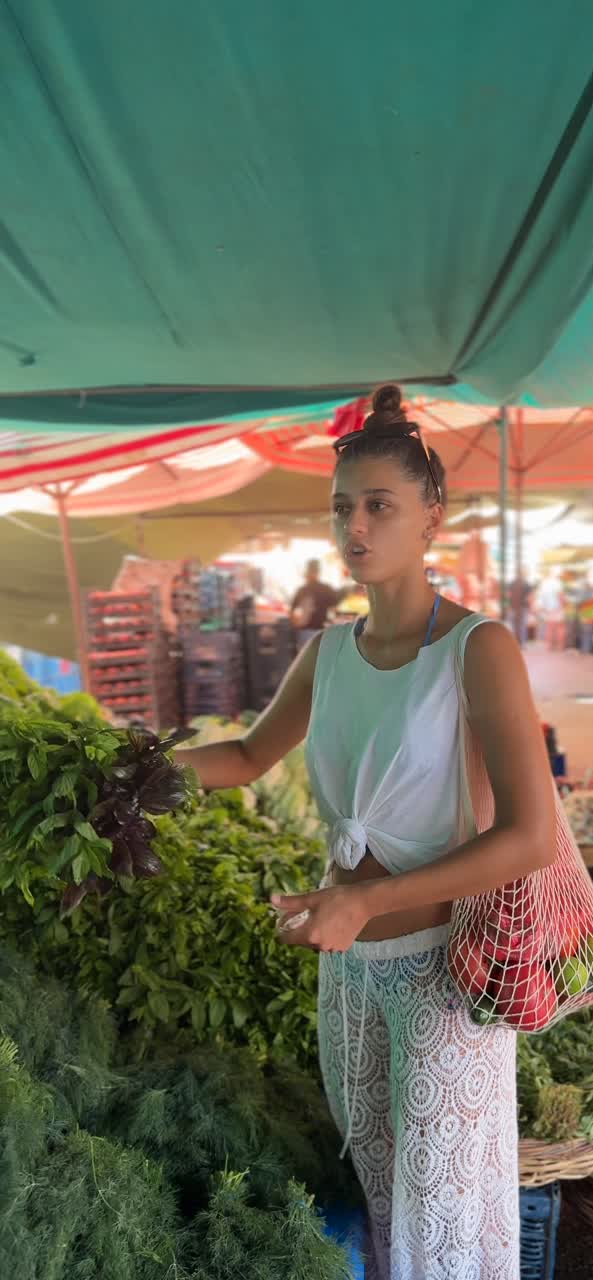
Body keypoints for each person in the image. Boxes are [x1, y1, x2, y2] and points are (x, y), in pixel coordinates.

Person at [176, 383, 556, 1280]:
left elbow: (531, 835)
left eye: (379, 506)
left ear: (432, 515)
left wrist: (363, 901)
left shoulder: (477, 649)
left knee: (447, 1218)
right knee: (384, 1203)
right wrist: (129, 765)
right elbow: (247, 755)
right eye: (342, 509)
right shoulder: (328, 652)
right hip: (349, 978)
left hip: (441, 980)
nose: (355, 528)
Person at [290, 559, 337, 647]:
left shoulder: (303, 590)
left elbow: (292, 611)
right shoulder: (326, 589)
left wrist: (295, 625)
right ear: (318, 572)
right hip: (321, 631)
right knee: (320, 658)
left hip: (305, 631)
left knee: (305, 658)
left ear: (307, 572)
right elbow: (334, 610)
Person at [535, 570, 565, 651]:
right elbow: (560, 596)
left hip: (547, 609)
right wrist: (563, 605)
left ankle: (549, 646)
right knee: (560, 627)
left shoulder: (544, 584)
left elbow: (540, 597)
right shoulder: (557, 583)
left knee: (549, 627)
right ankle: (560, 646)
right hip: (557, 608)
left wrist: (543, 608)